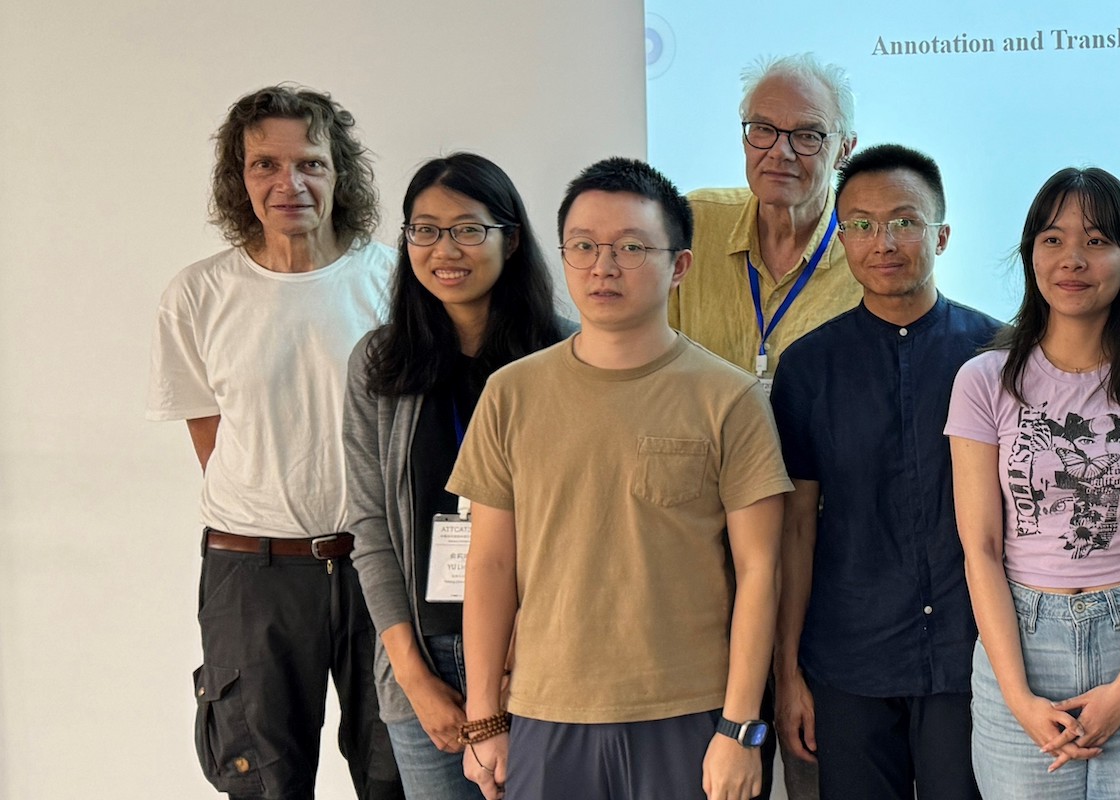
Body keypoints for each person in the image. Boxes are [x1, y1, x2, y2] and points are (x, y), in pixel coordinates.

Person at [449, 157, 793, 800]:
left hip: (687, 713)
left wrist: (740, 727)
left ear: (679, 266)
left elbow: (760, 571)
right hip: (544, 711)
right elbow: (491, 564)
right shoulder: (511, 394)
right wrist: (482, 718)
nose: (603, 267)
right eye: (583, 246)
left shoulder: (729, 397)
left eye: (631, 247)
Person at [147, 84, 404, 800]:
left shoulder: (393, 281)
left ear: (339, 173)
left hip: (379, 565)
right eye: (265, 165)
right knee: (261, 781)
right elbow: (211, 432)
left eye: (310, 163)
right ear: (240, 178)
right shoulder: (198, 295)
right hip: (250, 572)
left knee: (400, 775)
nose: (288, 183)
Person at [947, 167, 1120, 799]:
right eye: (1053, 239)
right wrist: (1018, 697)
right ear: (1031, 254)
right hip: (1022, 644)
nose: (1073, 259)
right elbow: (979, 548)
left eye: (1096, 241)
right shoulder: (984, 381)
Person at [770, 144, 1002, 800]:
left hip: (972, 654)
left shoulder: (997, 355)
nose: (884, 241)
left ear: (942, 235)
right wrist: (789, 674)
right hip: (849, 661)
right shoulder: (809, 368)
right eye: (862, 225)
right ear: (841, 237)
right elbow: (795, 532)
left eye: (905, 221)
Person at [344, 153, 570, 799]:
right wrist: (413, 678)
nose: (446, 249)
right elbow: (370, 527)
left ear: (511, 238)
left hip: (542, 658)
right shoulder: (379, 366)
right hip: (426, 661)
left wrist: (503, 676)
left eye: (469, 229)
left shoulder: (563, 360)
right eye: (425, 229)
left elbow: (577, 530)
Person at [673, 53, 863, 394]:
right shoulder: (694, 222)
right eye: (763, 130)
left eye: (807, 136)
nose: (779, 152)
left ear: (844, 151)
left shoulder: (872, 251)